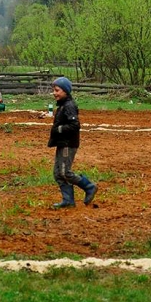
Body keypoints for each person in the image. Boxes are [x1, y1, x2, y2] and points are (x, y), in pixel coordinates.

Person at [48, 76, 97, 209]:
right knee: (58, 173)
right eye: (53, 90)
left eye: (57, 90)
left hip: (68, 144)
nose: (54, 93)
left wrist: (58, 129)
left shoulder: (69, 105)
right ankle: (68, 200)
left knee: (64, 172)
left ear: (65, 91)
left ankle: (89, 186)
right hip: (62, 143)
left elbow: (75, 125)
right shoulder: (63, 104)